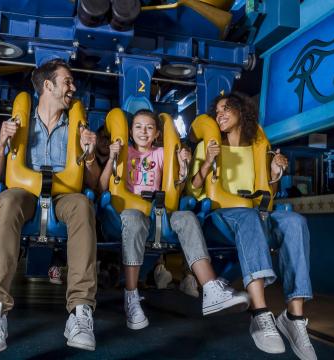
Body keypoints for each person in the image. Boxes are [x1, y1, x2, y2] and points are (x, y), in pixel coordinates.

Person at [0, 59, 100, 354]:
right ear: (48, 86)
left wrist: (91, 154)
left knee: (84, 204)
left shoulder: (77, 128)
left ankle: (80, 311)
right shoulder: (19, 124)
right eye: (67, 81)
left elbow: (94, 184)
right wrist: (1, 143)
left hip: (63, 197)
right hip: (25, 194)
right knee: (5, 199)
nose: (73, 87)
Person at [188, 92, 316, 360]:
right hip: (220, 217)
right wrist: (209, 161)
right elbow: (194, 188)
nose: (220, 114)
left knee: (295, 221)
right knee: (247, 216)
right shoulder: (208, 145)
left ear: (241, 112)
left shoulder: (257, 147)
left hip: (257, 214)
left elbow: (268, 192)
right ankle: (260, 313)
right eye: (217, 110)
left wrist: (275, 173)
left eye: (227, 108)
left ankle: (294, 317)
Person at [99, 109, 249, 330]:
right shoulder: (124, 152)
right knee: (132, 217)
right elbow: (102, 186)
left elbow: (176, 187)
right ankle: (131, 295)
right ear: (130, 131)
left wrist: (183, 166)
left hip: (159, 213)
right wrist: (112, 157)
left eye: (149, 127)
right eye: (138, 127)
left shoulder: (162, 153)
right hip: (132, 213)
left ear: (157, 133)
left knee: (187, 217)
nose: (144, 131)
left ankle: (210, 289)